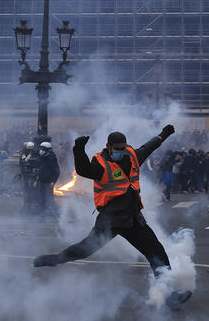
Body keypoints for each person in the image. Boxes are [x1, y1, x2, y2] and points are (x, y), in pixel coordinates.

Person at [33, 125, 192, 309]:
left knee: (157, 253)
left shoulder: (132, 156)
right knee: (85, 250)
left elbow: (148, 147)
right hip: (110, 221)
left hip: (133, 219)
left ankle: (168, 296)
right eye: (117, 149)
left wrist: (164, 134)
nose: (121, 152)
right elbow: (84, 170)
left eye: (123, 148)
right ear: (109, 147)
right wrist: (79, 149)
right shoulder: (100, 165)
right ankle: (55, 260)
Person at [34, 141, 60, 216]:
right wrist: (37, 175)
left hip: (48, 182)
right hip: (41, 181)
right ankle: (43, 213)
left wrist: (53, 181)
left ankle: (54, 213)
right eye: (41, 148)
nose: (41, 150)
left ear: (48, 150)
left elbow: (57, 171)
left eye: (43, 148)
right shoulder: (41, 157)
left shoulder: (52, 158)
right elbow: (41, 168)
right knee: (41, 198)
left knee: (49, 198)